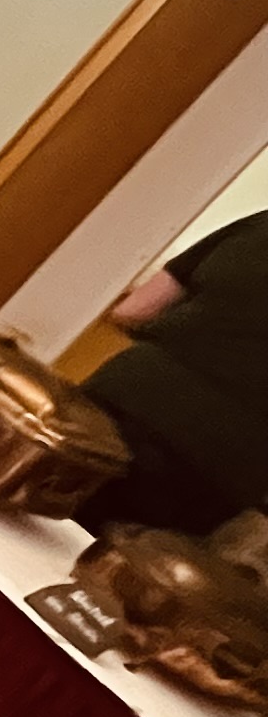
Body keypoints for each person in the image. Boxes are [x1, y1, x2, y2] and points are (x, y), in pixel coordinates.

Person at [80, 210, 268, 535]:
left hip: (129, 395)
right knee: (109, 558)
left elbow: (133, 311)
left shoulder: (261, 225)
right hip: (225, 462)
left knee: (27, 517)